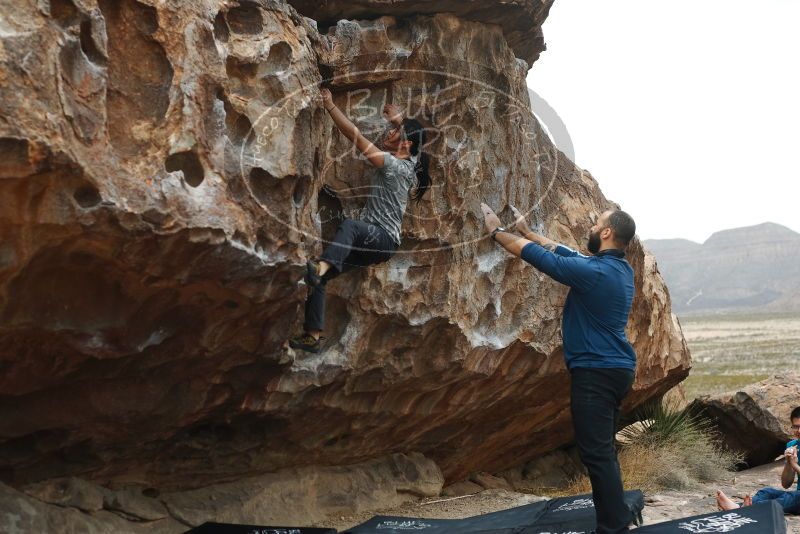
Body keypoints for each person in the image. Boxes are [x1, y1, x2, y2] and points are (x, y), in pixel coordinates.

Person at [481, 203, 638, 534]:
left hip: (597, 373)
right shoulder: (617, 270)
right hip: (615, 370)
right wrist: (527, 232)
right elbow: (566, 252)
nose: (592, 228)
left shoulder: (595, 273)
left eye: (597, 224)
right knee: (603, 452)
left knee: (596, 455)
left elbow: (543, 259)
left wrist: (497, 232)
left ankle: (614, 528)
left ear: (607, 233)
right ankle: (617, 517)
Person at [289, 88, 431, 353]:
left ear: (405, 144)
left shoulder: (394, 166)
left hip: (382, 239)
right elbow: (416, 138)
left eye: (395, 133)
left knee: (350, 228)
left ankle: (322, 267)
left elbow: (354, 135)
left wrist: (330, 106)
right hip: (374, 245)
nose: (388, 134)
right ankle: (312, 335)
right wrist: (398, 121)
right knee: (320, 279)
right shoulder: (411, 163)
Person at [716, 406, 800, 514]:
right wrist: (789, 463)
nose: (799, 431)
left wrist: (796, 465)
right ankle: (747, 506)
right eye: (796, 427)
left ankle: (741, 508)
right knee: (767, 492)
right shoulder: (793, 446)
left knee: (796, 497)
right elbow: (786, 484)